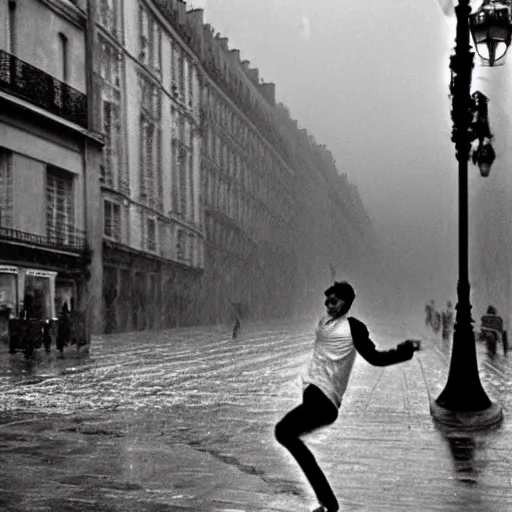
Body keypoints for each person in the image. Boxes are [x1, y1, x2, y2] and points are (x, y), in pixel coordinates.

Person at [274, 281, 421, 512]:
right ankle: (327, 502)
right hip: (313, 396)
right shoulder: (323, 322)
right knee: (287, 435)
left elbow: (375, 358)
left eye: (334, 301)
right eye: (326, 301)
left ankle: (328, 503)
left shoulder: (354, 328)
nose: (328, 306)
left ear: (346, 303)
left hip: (325, 401)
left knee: (283, 432)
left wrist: (404, 351)